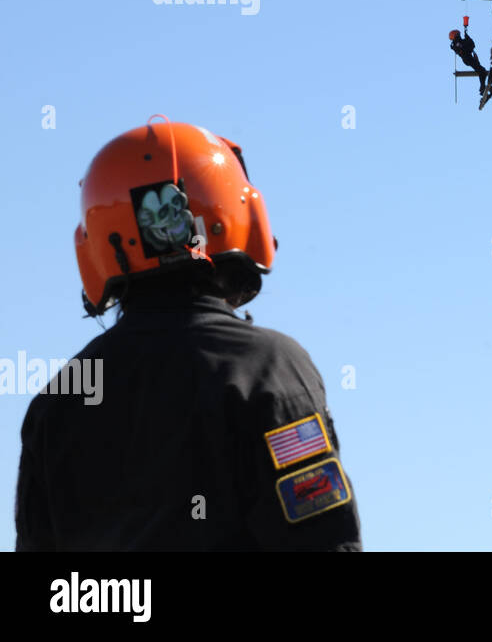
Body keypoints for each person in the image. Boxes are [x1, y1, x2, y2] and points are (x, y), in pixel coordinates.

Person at [15, 118, 362, 551]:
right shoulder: (269, 367)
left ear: (99, 243)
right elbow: (324, 539)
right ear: (234, 214)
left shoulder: (58, 404)